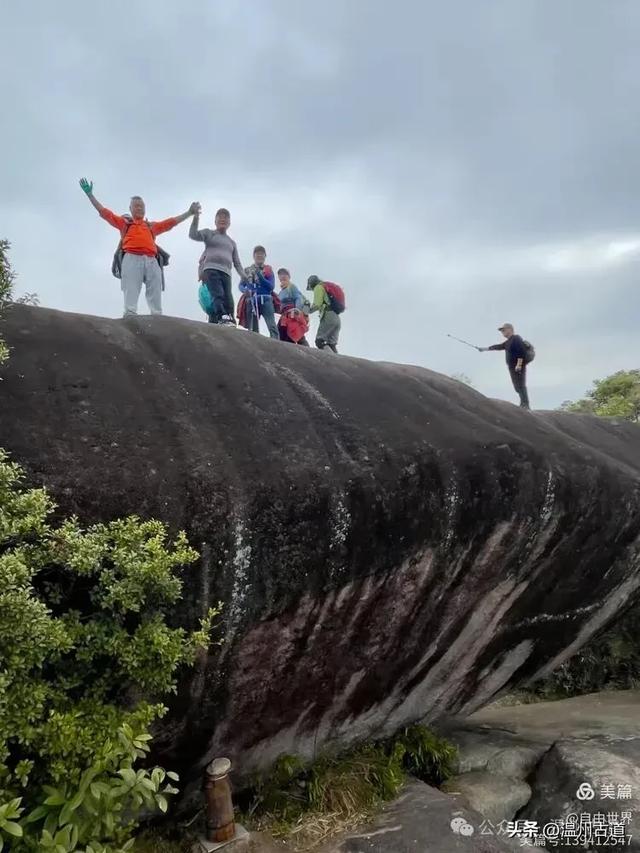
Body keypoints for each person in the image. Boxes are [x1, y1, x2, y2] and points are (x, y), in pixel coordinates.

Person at [79, 178, 198, 317]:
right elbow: (105, 213)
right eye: (136, 205)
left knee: (155, 288)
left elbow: (170, 223)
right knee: (131, 289)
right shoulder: (125, 224)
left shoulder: (150, 226)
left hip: (151, 260)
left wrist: (189, 213)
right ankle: (130, 314)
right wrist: (90, 195)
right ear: (130, 208)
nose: (139, 208)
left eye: (141, 205)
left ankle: (157, 316)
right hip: (131, 257)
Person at [190, 207, 247, 325]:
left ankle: (228, 320)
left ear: (229, 223)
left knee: (229, 300)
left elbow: (237, 263)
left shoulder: (232, 243)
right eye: (220, 217)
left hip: (226, 273)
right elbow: (193, 234)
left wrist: (243, 276)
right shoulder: (209, 234)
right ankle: (222, 317)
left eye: (226, 217)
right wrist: (196, 217)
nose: (223, 219)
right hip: (211, 270)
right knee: (218, 294)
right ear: (215, 221)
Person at [480, 323, 531, 410]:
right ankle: (523, 403)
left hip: (518, 366)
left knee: (520, 384)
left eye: (504, 330)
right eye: (501, 331)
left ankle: (525, 404)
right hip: (512, 367)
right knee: (517, 387)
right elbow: (498, 346)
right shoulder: (508, 342)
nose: (502, 332)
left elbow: (521, 352)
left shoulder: (516, 338)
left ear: (510, 329)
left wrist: (519, 365)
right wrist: (485, 349)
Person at [240, 246, 279, 339]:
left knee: (272, 325)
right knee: (253, 328)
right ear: (254, 256)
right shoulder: (247, 270)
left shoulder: (268, 270)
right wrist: (245, 290)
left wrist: (260, 277)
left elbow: (271, 286)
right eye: (257, 253)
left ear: (265, 256)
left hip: (266, 299)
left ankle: (276, 344)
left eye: (262, 254)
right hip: (252, 300)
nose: (259, 255)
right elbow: (241, 285)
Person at [307, 275, 341, 353]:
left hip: (328, 316)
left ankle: (331, 360)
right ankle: (339, 362)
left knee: (319, 341)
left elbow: (317, 304)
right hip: (336, 318)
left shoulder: (318, 287)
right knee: (331, 344)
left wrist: (308, 310)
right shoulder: (326, 288)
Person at [277, 268, 309, 345]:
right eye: (280, 274)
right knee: (281, 332)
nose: (283, 276)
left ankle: (309, 351)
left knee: (295, 332)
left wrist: (297, 310)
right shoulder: (281, 292)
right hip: (284, 316)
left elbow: (298, 298)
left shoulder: (292, 287)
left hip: (292, 314)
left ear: (289, 276)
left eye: (285, 274)